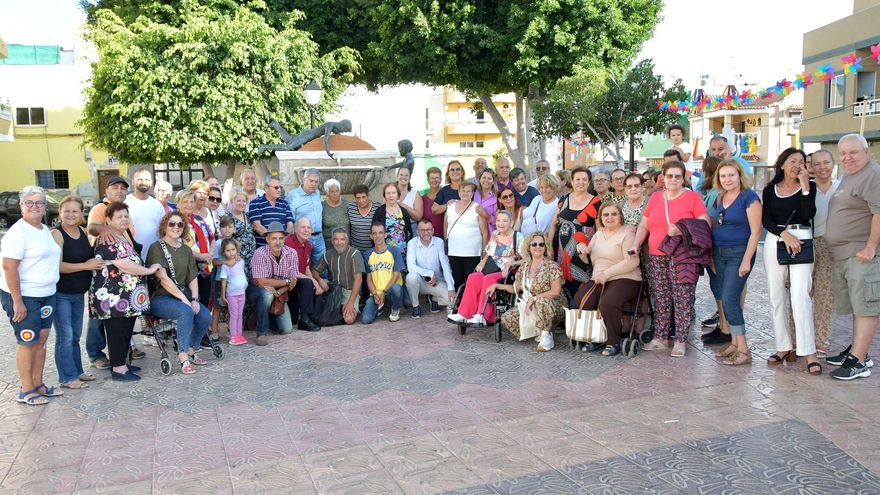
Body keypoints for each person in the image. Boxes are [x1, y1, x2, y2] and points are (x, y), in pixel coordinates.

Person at [631, 160, 710, 357]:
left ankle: (681, 341)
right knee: (662, 298)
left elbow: (704, 223)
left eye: (677, 176)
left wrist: (682, 229)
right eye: (669, 176)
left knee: (682, 297)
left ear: (683, 178)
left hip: (682, 256)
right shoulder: (656, 197)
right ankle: (661, 338)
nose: (673, 179)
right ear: (663, 178)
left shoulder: (692, 197)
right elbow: (645, 224)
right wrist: (636, 243)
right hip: (657, 255)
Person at [1, 186, 63, 404]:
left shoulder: (43, 229)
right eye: (29, 202)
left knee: (42, 339)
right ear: (21, 206)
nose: (35, 206)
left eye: (39, 203)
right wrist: (17, 301)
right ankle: (26, 389)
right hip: (25, 296)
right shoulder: (17, 233)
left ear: (45, 206)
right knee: (28, 341)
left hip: (47, 293)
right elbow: (9, 268)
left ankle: (38, 383)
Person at [825, 135, 880, 380]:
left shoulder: (873, 174)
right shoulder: (850, 175)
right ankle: (859, 352)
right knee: (857, 307)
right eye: (843, 153)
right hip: (845, 254)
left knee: (866, 307)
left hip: (861, 254)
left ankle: (858, 361)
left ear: (866, 152)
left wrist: (870, 247)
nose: (847, 157)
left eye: (854, 152)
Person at [761, 148, 820, 374]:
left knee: (800, 297)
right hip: (777, 239)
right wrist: (783, 234)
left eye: (802, 162)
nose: (797, 165)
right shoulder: (770, 189)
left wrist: (805, 187)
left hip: (802, 239)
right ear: (783, 164)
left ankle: (809, 352)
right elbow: (766, 219)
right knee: (776, 296)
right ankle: (783, 346)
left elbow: (807, 215)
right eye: (793, 161)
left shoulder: (809, 187)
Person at [89, 202, 160, 382]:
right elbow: (124, 264)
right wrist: (149, 271)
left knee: (125, 331)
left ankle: (121, 363)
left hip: (125, 298)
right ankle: (119, 369)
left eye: (126, 216)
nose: (124, 219)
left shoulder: (121, 237)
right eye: (119, 217)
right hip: (113, 297)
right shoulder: (107, 239)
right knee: (117, 332)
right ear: (108, 220)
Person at [708, 160, 762, 366]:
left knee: (730, 299)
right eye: (723, 176)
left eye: (731, 175)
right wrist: (712, 256)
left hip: (739, 254)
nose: (727, 179)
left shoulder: (749, 198)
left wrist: (746, 260)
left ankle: (744, 350)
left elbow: (756, 232)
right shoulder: (721, 197)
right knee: (724, 297)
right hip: (719, 253)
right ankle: (734, 343)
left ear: (740, 175)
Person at [85, 176, 143, 369]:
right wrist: (103, 227)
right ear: (107, 191)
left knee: (117, 323)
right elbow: (92, 227)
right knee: (101, 320)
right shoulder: (101, 209)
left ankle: (121, 357)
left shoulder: (124, 211)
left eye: (123, 188)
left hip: (122, 280)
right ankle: (96, 354)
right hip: (108, 278)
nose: (119, 191)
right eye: (115, 187)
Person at [147, 211, 213, 373]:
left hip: (183, 296)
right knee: (185, 312)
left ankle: (192, 348)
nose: (176, 227)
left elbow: (192, 277)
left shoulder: (185, 249)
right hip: (160, 297)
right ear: (164, 226)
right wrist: (185, 300)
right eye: (172, 223)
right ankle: (182, 355)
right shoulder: (156, 248)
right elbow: (163, 279)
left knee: (204, 316)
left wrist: (195, 299)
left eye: (180, 224)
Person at [572, 203, 641, 356]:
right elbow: (589, 260)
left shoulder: (628, 234)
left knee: (608, 302)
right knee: (581, 299)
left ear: (620, 217)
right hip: (599, 276)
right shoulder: (598, 235)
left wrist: (607, 273)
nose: (609, 217)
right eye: (606, 215)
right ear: (601, 218)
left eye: (613, 214)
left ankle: (613, 341)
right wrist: (583, 251)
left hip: (625, 276)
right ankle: (596, 337)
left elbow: (632, 261)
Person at [52, 196, 104, 390]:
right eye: (67, 211)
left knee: (74, 336)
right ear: (60, 213)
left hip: (78, 294)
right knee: (64, 337)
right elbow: (56, 266)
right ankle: (67, 378)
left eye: (75, 211)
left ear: (82, 213)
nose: (71, 215)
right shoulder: (56, 234)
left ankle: (77, 371)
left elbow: (91, 259)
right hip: (61, 294)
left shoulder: (82, 232)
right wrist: (85, 265)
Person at [492, 232, 565, 352]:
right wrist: (498, 286)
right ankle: (538, 331)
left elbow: (556, 291)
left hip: (553, 305)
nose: (538, 247)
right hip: (531, 306)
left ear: (545, 247)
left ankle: (546, 336)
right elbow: (516, 288)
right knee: (506, 318)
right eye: (534, 244)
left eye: (541, 244)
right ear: (528, 247)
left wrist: (535, 298)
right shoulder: (524, 266)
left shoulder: (552, 266)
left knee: (542, 301)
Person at [449, 210, 522, 325]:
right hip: (490, 267)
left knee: (488, 279)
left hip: (506, 272)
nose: (500, 223)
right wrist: (482, 262)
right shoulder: (495, 234)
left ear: (511, 223)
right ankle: (464, 313)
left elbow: (528, 258)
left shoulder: (518, 237)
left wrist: (511, 263)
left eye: (504, 221)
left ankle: (482, 315)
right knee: (473, 277)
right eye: (498, 220)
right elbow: (489, 252)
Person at [547, 166, 601, 295]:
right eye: (577, 179)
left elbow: (600, 232)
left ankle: (580, 315)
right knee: (561, 290)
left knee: (581, 292)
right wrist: (548, 248)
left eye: (584, 179)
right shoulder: (563, 199)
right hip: (561, 253)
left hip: (583, 255)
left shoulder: (596, 202)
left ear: (589, 182)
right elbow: (553, 224)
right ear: (572, 181)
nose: (580, 182)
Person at [249, 221, 299, 345]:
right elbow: (261, 282)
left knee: (286, 330)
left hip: (279, 292)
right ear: (267, 239)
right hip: (256, 290)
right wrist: (286, 282)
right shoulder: (260, 253)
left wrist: (279, 291)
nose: (278, 242)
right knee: (266, 294)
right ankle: (261, 333)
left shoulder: (292, 253)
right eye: (274, 238)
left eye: (281, 238)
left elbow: (293, 281)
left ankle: (260, 314)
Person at [810, 150, 839, 357]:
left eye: (826, 162)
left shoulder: (842, 187)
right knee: (801, 293)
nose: (822, 167)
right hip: (807, 244)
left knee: (826, 295)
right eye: (817, 163)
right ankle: (797, 339)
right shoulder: (806, 188)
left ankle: (821, 340)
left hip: (832, 245)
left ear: (833, 163)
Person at [313, 228, 365, 325]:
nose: (339, 242)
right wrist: (319, 280)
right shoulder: (328, 254)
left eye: (342, 239)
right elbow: (314, 271)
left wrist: (350, 303)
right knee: (316, 284)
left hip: (349, 291)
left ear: (347, 240)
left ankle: (340, 310)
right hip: (334, 291)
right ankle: (336, 310)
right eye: (336, 239)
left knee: (348, 320)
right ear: (332, 241)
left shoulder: (354, 253)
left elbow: (358, 279)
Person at [405, 220, 456, 318]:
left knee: (451, 300)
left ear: (433, 231)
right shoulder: (412, 243)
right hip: (420, 282)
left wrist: (451, 288)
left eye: (428, 229)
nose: (425, 232)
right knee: (410, 277)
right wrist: (428, 273)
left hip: (437, 281)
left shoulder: (439, 242)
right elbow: (410, 267)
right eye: (422, 230)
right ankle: (416, 306)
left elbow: (445, 265)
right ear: (418, 231)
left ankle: (434, 298)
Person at [283, 217, 324, 332]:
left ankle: (307, 318)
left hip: (298, 281)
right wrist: (313, 281)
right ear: (295, 229)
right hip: (286, 283)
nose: (306, 230)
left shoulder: (308, 244)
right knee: (293, 319)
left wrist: (315, 283)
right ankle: (303, 320)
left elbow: (306, 268)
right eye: (303, 227)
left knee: (311, 284)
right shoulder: (288, 243)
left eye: (309, 228)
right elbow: (292, 271)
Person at [445, 182, 488, 289]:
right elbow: (445, 227)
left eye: (468, 191)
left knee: (471, 280)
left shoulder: (477, 208)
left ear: (473, 193)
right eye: (463, 190)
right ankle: (459, 304)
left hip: (472, 252)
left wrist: (484, 251)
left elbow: (485, 232)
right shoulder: (450, 206)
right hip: (454, 251)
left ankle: (470, 305)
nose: (465, 193)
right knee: (457, 279)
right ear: (458, 192)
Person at [176, 190, 215, 308]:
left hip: (206, 266)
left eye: (192, 202)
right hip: (188, 268)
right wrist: (203, 256)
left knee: (205, 299)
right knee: (190, 301)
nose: (189, 204)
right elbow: (178, 245)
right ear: (178, 204)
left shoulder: (198, 218)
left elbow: (211, 237)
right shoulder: (175, 221)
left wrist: (210, 254)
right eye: (185, 201)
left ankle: (202, 325)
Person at [362, 223, 405, 324]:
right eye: (375, 233)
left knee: (396, 288)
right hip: (377, 294)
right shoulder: (367, 254)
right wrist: (375, 294)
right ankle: (380, 308)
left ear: (385, 235)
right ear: (371, 236)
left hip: (389, 292)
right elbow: (369, 278)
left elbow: (396, 275)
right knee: (365, 319)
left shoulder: (394, 250)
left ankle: (395, 309)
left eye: (381, 233)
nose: (378, 236)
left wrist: (384, 292)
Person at [125, 167, 166, 259]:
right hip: (130, 256)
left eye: (147, 179)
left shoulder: (157, 205)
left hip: (154, 256)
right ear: (132, 181)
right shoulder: (125, 203)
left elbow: (163, 229)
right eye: (139, 179)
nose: (143, 182)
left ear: (151, 182)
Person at [287, 168, 325, 264]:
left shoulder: (317, 193)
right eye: (311, 181)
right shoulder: (293, 195)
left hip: (319, 237)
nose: (314, 184)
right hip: (302, 237)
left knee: (321, 267)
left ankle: (319, 280)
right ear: (304, 180)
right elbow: (289, 219)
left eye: (316, 182)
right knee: (302, 266)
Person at [372, 182, 414, 265]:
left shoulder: (404, 211)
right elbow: (374, 232)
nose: (391, 195)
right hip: (385, 252)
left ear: (398, 195)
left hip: (402, 251)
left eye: (393, 193)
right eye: (388, 193)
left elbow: (409, 231)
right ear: (385, 196)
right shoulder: (379, 212)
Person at [218, 238, 248, 345]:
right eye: (228, 250)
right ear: (223, 252)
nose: (231, 252)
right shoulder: (225, 266)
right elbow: (223, 283)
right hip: (232, 295)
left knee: (240, 315)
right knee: (234, 315)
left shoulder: (241, 261)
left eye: (233, 249)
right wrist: (223, 296)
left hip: (242, 293)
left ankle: (239, 334)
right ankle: (233, 336)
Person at [249, 177, 294, 247]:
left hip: (282, 247)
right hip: (262, 248)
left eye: (280, 187)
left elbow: (290, 225)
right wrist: (273, 241)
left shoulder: (284, 203)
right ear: (266, 188)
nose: (279, 190)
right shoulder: (255, 203)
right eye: (276, 187)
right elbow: (257, 226)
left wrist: (282, 240)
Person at [225, 187, 257, 282]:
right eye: (238, 200)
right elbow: (226, 238)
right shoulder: (227, 217)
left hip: (251, 256)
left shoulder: (247, 215)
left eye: (244, 201)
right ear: (232, 201)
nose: (241, 203)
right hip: (238, 257)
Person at [347, 184, 379, 252]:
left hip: (373, 250)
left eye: (364, 197)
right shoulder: (350, 207)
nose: (361, 200)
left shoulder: (377, 207)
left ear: (368, 195)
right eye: (358, 198)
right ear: (355, 198)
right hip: (355, 250)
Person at [321, 179, 350, 251]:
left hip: (345, 244)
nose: (335, 194)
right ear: (327, 193)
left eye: (337, 191)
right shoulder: (322, 206)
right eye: (332, 191)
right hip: (329, 245)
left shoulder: (347, 205)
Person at [420, 167, 446, 235]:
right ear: (428, 180)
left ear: (441, 179)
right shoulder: (422, 199)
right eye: (432, 178)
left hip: (443, 236)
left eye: (437, 177)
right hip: (427, 238)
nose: (434, 180)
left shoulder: (446, 197)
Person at [474, 169, 498, 233]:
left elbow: (497, 221)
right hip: (473, 231)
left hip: (488, 233)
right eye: (484, 178)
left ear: (493, 181)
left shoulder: (496, 198)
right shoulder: (474, 193)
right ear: (480, 179)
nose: (486, 180)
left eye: (489, 178)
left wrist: (485, 215)